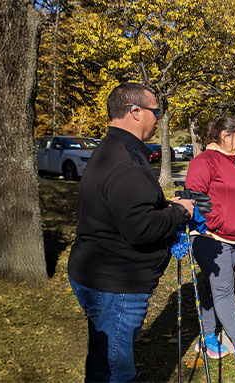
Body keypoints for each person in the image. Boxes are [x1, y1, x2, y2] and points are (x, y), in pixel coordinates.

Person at [68, 82, 209, 382]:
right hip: (117, 285)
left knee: (103, 360)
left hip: (98, 274)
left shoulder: (110, 149)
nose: (157, 119)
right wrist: (181, 211)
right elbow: (142, 228)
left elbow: (124, 208)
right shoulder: (127, 162)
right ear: (135, 112)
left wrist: (166, 205)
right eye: (155, 112)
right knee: (115, 372)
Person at [185, 116, 235, 373]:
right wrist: (216, 222)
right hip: (211, 240)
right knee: (223, 290)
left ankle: (207, 336)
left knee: (212, 285)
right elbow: (194, 196)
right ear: (224, 135)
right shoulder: (204, 161)